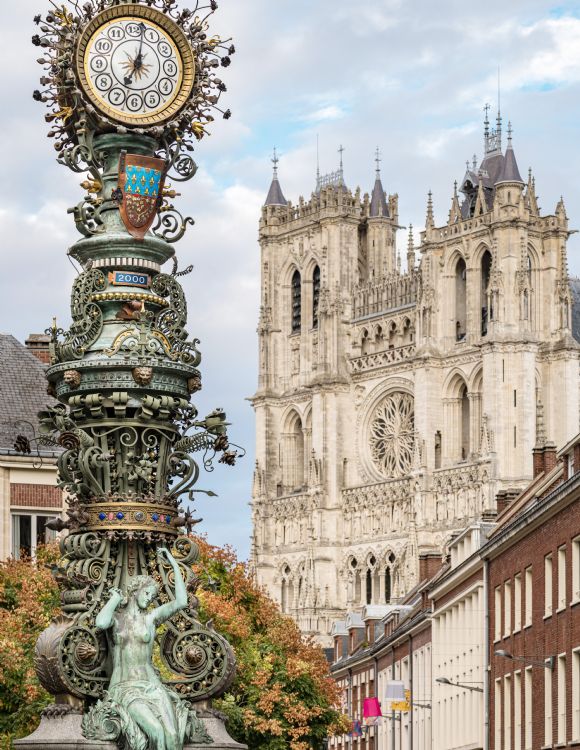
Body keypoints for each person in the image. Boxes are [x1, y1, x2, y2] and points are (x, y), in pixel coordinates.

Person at [83, 547, 199, 750]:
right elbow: (100, 623)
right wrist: (114, 599)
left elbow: (181, 601)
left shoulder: (151, 618)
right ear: (135, 591)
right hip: (125, 688)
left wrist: (172, 561)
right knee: (156, 732)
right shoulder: (117, 618)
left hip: (152, 687)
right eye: (147, 593)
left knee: (172, 737)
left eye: (153, 596)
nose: (150, 598)